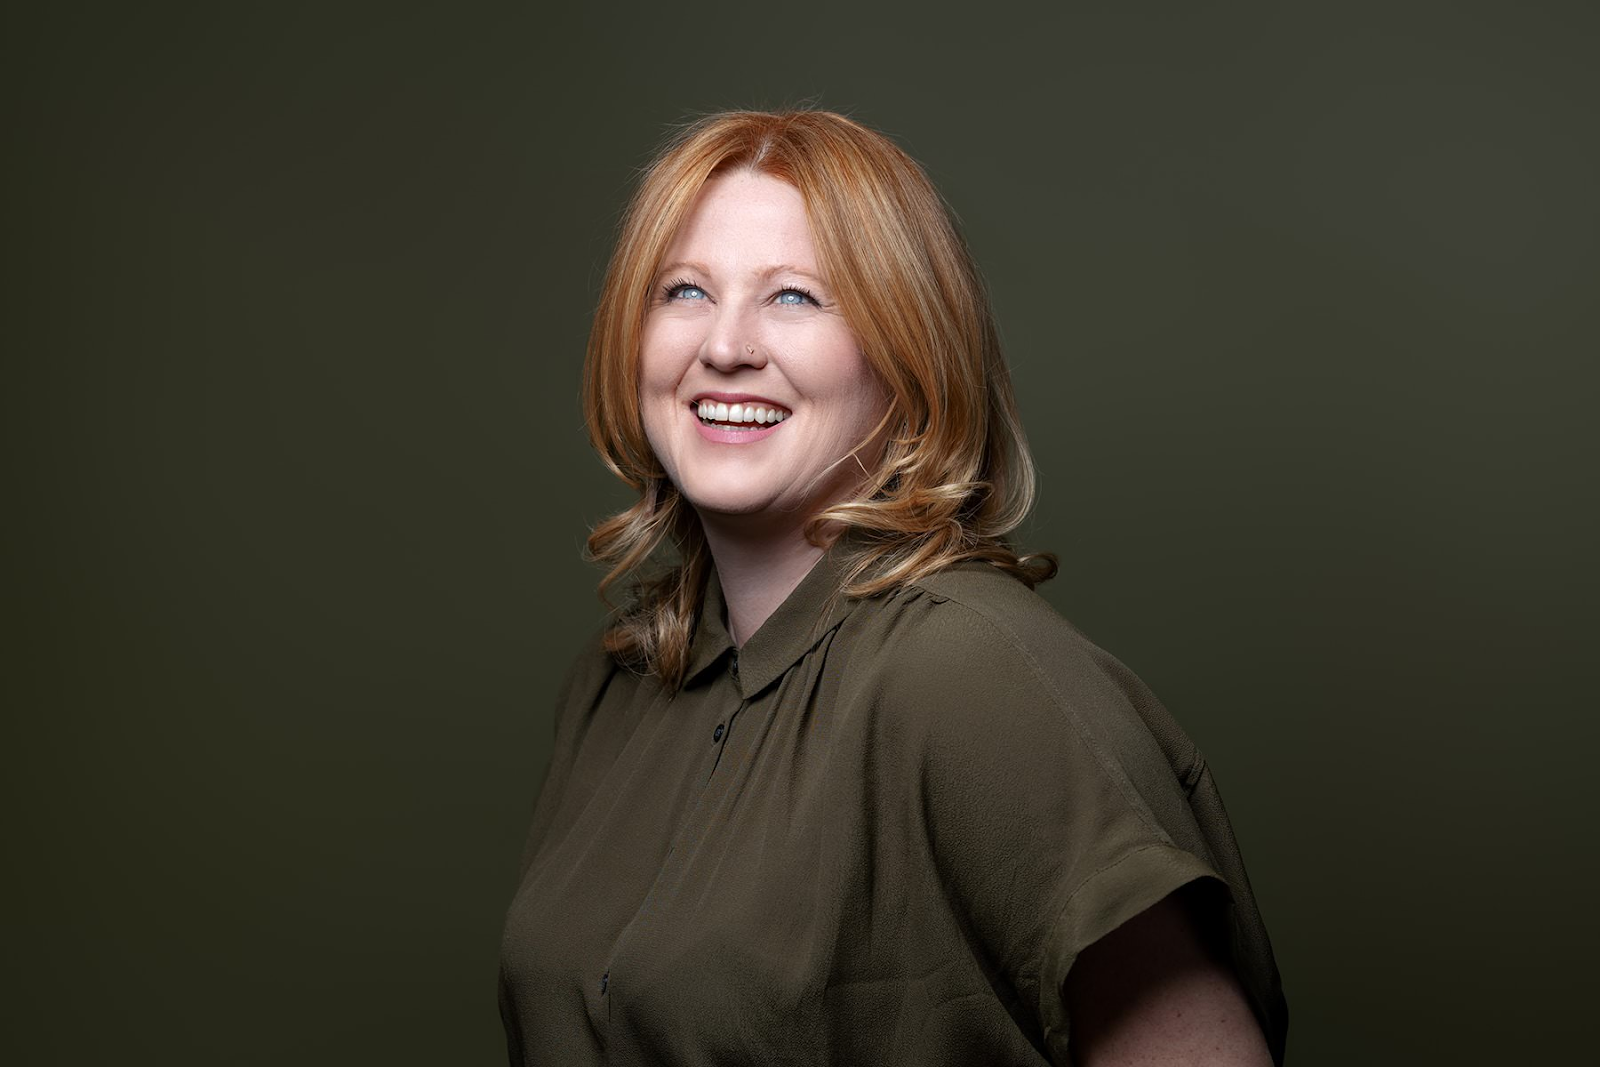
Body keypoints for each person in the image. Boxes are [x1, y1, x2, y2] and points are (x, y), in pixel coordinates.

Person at [498, 109, 1288, 1066]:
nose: (726, 345)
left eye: (795, 298)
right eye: (684, 290)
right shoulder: (614, 683)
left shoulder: (974, 677)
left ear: (907, 353)